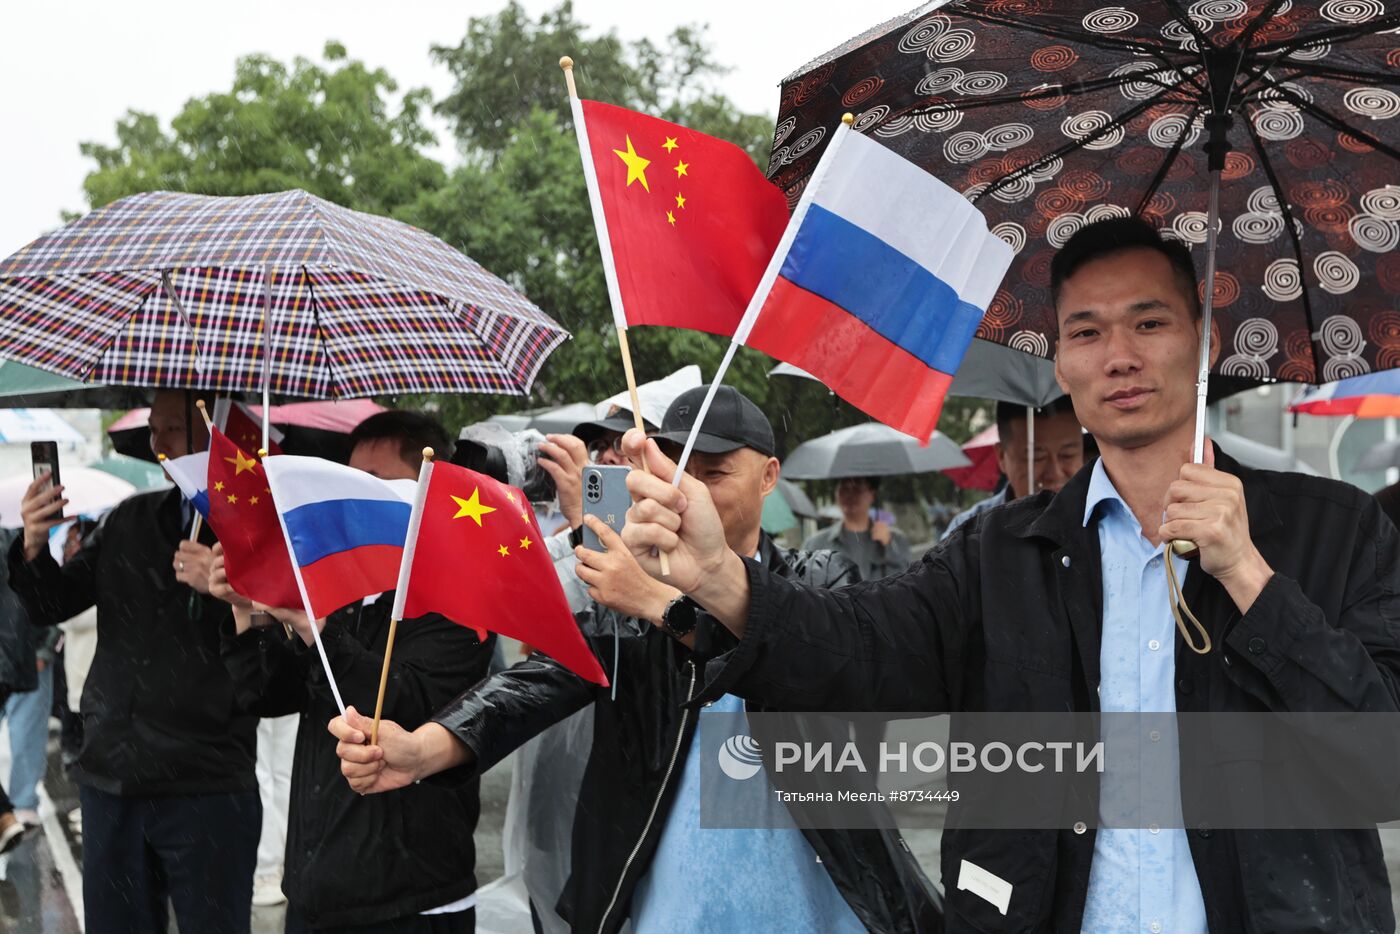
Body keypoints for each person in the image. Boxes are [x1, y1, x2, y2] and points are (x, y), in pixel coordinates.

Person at [617, 216, 1400, 932]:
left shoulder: (1336, 531)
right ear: (1060, 359)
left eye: (1150, 322)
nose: (1119, 356)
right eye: (1086, 331)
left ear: (1201, 336)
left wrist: (1251, 578)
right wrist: (721, 576)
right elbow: (862, 647)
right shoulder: (999, 554)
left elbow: (1379, 767)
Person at [330, 386, 942, 934]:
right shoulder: (629, 586)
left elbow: (816, 664)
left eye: (716, 472)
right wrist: (424, 748)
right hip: (668, 892)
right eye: (680, 472)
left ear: (769, 475)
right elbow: (542, 679)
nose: (691, 492)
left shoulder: (820, 578)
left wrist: (663, 605)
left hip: (816, 886)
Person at [214, 409, 494, 933]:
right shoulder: (343, 587)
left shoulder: (460, 596)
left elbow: (407, 705)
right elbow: (268, 695)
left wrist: (316, 627)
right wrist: (246, 607)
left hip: (409, 898)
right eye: (351, 482)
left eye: (378, 485)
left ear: (427, 492)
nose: (356, 499)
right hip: (317, 887)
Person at [9, 390, 258, 934]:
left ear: (214, 434)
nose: (156, 442)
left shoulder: (258, 530)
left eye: (171, 428)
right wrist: (32, 543)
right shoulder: (131, 518)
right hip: (112, 776)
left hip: (207, 782)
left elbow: (285, 664)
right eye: (153, 427)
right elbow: (53, 602)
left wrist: (234, 592)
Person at [941, 396, 1085, 540]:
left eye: (1068, 455)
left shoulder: (1101, 518)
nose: (1055, 473)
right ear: (1002, 457)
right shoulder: (966, 537)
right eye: (1036, 457)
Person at [0, 525, 37, 854]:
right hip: (11, 661)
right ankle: (5, 817)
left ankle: (5, 816)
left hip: (5, 659)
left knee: (26, 730)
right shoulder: (9, 542)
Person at [803, 476, 911, 580]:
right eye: (844, 488)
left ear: (872, 494)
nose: (850, 495)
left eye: (857, 489)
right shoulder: (815, 544)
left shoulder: (896, 540)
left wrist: (889, 547)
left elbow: (907, 584)